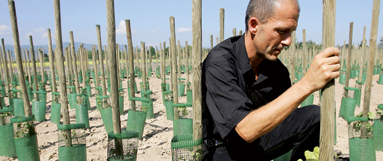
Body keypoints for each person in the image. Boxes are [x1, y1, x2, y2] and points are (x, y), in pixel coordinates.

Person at [202, 0, 340, 160]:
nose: (288, 41)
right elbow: (245, 130)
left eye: (291, 32)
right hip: (222, 149)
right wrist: (307, 84)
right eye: (281, 31)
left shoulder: (278, 72)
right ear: (253, 25)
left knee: (316, 117)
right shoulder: (220, 63)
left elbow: (284, 123)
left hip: (258, 143)